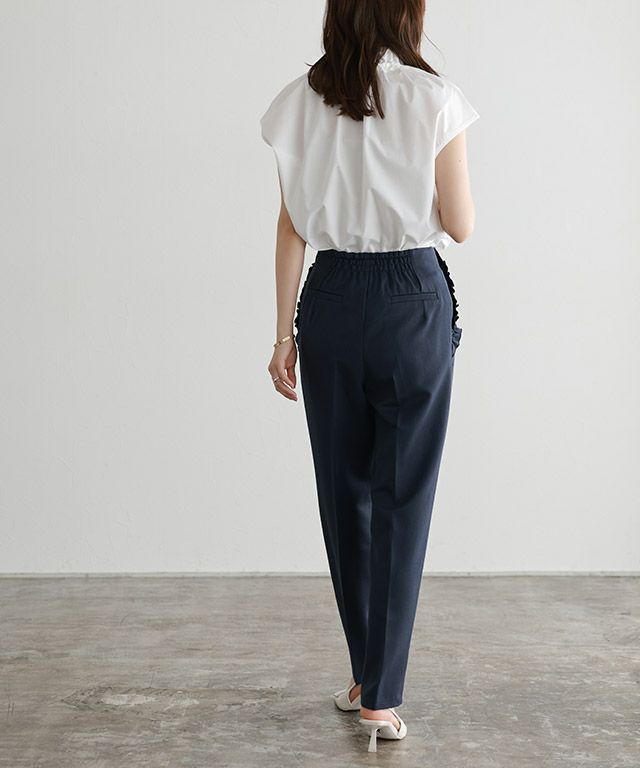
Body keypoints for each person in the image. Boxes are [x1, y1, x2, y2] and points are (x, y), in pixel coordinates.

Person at [260, 0, 479, 753]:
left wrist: (282, 333)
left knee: (343, 493)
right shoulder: (433, 98)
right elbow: (461, 224)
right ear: (405, 13)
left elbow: (291, 223)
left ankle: (366, 678)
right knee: (402, 497)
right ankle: (381, 698)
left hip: (329, 299)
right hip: (411, 298)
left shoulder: (299, 100)